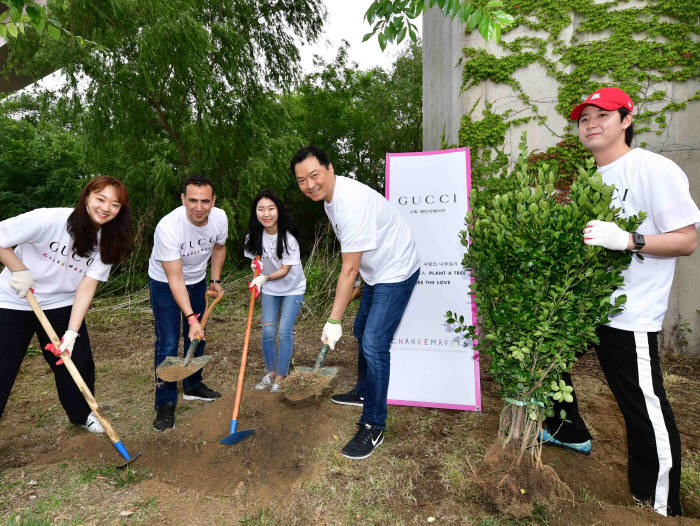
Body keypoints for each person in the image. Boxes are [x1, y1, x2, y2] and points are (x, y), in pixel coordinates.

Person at [541, 87, 700, 517]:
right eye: (583, 118)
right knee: (547, 359)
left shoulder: (652, 169)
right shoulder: (590, 178)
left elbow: (687, 239)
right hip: (584, 305)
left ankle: (659, 505)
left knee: (641, 406)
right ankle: (567, 429)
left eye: (602, 115)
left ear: (626, 120)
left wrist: (630, 240)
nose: (590, 123)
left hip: (629, 312)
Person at [291, 145, 420, 460]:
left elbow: (347, 268)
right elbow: (356, 256)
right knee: (363, 329)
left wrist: (333, 319)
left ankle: (374, 424)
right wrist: (360, 283)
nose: (309, 185)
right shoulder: (330, 201)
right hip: (375, 271)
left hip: (397, 269)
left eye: (314, 175)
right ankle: (364, 390)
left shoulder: (350, 202)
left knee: (375, 343)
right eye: (301, 180)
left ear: (330, 169)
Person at [0, 176, 134, 433]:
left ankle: (84, 415)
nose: (106, 208)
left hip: (61, 302)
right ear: (86, 197)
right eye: (100, 199)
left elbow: (86, 286)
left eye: (115, 205)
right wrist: (18, 270)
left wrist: (72, 333)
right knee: (3, 365)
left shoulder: (108, 239)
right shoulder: (49, 219)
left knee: (78, 359)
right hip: (12, 300)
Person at [148, 175, 227, 431]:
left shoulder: (219, 218)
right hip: (165, 284)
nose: (199, 207)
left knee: (198, 336)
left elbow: (218, 247)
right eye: (192, 200)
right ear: (183, 199)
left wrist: (214, 279)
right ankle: (165, 403)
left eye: (205, 201)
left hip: (198, 281)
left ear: (213, 201)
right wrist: (191, 317)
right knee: (169, 341)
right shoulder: (168, 227)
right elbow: (175, 277)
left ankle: (193, 386)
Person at [244, 189, 306, 393]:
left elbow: (285, 270)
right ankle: (270, 372)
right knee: (268, 331)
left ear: (278, 210)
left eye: (271, 208)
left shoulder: (288, 239)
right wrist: (256, 268)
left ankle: (281, 376)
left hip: (292, 288)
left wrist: (264, 277)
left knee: (284, 332)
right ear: (256, 212)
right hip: (270, 288)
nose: (266, 214)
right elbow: (256, 260)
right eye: (261, 209)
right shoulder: (252, 237)